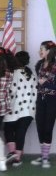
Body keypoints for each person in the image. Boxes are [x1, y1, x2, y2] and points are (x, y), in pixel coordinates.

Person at [3, 51, 37, 167]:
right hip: (29, 110)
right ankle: (17, 158)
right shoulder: (31, 73)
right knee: (20, 133)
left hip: (14, 109)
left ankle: (12, 154)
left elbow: (11, 91)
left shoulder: (13, 74)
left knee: (8, 130)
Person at [32, 40, 56, 168]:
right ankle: (43, 155)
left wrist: (46, 83)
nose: (39, 51)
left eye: (42, 49)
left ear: (48, 51)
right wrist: (41, 84)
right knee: (40, 126)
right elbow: (39, 82)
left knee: (48, 128)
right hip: (40, 99)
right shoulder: (39, 64)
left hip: (52, 100)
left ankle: (45, 158)